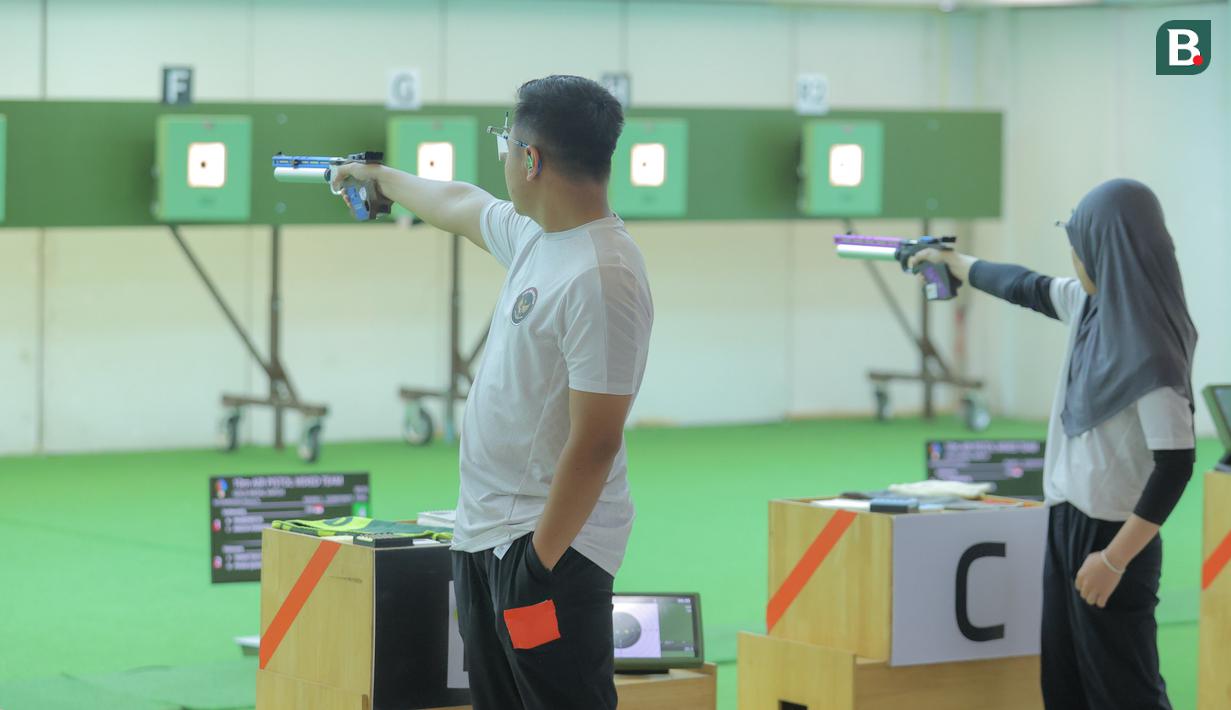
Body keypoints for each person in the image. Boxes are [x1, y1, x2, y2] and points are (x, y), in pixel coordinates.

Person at [331, 75, 653, 709]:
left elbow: (595, 442)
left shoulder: (604, 276)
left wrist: (538, 568)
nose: (502, 156)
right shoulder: (541, 236)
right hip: (487, 542)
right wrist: (381, 178)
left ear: (531, 159)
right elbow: (459, 202)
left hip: (546, 557)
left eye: (507, 143)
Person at [910, 178, 1197, 709]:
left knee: (1124, 693)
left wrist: (1112, 561)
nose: (1073, 255)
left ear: (1107, 249)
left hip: (1112, 537)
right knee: (1066, 687)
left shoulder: (1154, 351)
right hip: (1065, 522)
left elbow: (1176, 466)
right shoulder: (1091, 307)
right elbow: (1023, 285)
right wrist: (953, 262)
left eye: (1080, 243)